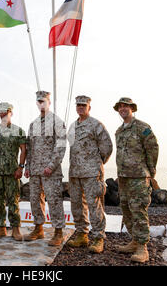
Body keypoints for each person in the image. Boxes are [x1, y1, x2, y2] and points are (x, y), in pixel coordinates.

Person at [113, 97, 159, 263]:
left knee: (138, 210)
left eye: (126, 106)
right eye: (121, 107)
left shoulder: (142, 127)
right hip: (124, 177)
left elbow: (152, 148)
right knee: (126, 209)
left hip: (139, 177)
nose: (123, 109)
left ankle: (142, 248)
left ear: (132, 109)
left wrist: (150, 171)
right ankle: (134, 241)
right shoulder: (119, 131)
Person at [66, 95, 113, 253]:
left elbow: (107, 146)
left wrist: (97, 163)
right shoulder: (73, 126)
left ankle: (99, 237)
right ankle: (82, 235)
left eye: (83, 105)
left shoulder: (96, 125)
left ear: (89, 108)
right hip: (75, 172)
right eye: (78, 105)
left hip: (92, 173)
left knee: (94, 205)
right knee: (77, 205)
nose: (80, 107)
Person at [24, 91, 67, 246]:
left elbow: (61, 146)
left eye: (43, 101)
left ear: (49, 102)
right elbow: (29, 147)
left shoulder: (57, 122)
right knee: (35, 200)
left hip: (51, 170)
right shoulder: (33, 124)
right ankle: (38, 228)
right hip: (35, 169)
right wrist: (27, 166)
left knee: (54, 200)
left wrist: (51, 165)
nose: (41, 104)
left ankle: (58, 232)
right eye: (38, 102)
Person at [0, 102, 27, 241]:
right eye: (0, 112)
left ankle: (15, 229)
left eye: (5, 112)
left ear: (11, 113)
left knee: (13, 201)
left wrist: (21, 167)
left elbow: (23, 150)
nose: (2, 114)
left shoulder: (18, 131)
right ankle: (1, 229)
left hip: (12, 173)